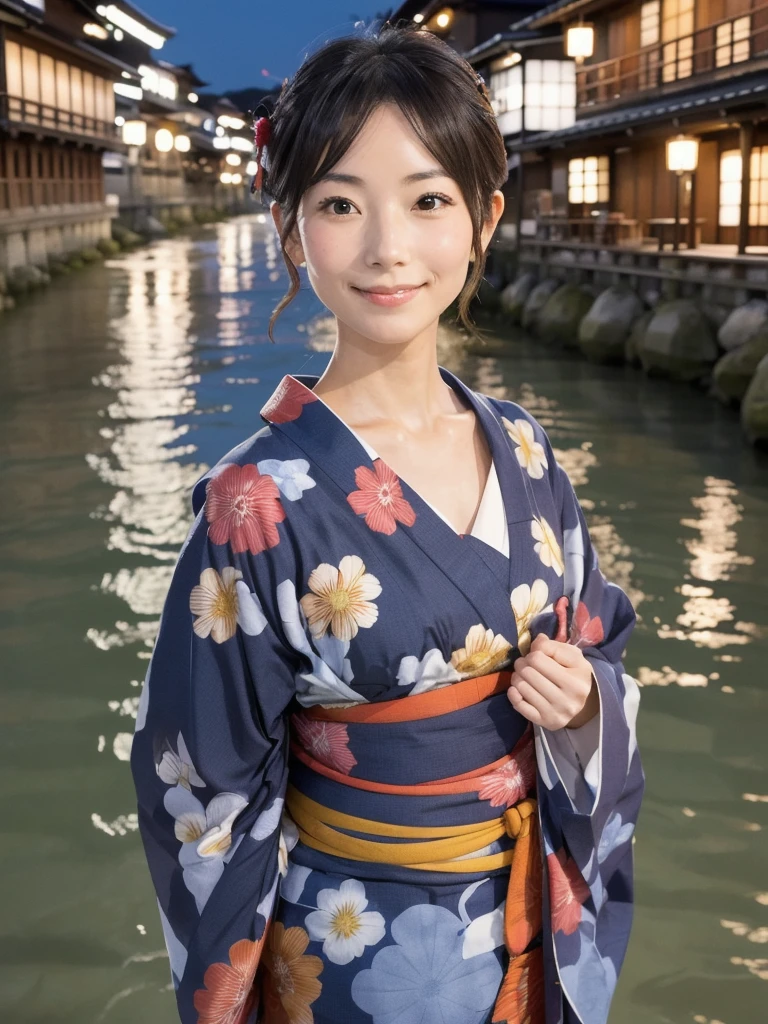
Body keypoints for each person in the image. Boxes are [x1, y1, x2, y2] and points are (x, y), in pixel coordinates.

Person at [129, 21, 645, 1024]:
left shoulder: (528, 449)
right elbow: (195, 789)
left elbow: (600, 646)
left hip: (528, 937)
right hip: (350, 957)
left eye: (427, 200)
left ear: (484, 217)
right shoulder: (255, 499)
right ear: (290, 228)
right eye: (339, 204)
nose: (386, 249)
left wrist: (585, 708)